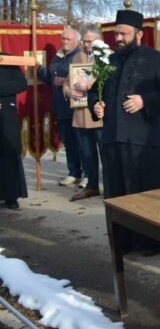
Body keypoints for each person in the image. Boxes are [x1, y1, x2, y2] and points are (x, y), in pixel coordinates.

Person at [90, 10, 160, 255]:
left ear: (139, 34)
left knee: (145, 193)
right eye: (116, 33)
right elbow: (93, 94)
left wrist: (144, 100)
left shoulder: (157, 60)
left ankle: (153, 242)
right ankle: (123, 242)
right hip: (112, 140)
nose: (118, 38)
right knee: (117, 193)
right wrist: (95, 105)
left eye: (124, 33)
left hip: (143, 140)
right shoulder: (108, 62)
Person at [38, 28, 83, 186]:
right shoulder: (58, 57)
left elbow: (83, 79)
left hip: (77, 108)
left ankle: (89, 175)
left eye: (68, 39)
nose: (64, 41)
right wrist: (38, 69)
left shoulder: (80, 56)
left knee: (81, 143)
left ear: (77, 41)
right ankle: (74, 172)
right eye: (62, 38)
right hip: (61, 107)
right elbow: (51, 80)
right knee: (69, 143)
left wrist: (64, 80)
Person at [63, 26, 103, 201]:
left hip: (100, 114)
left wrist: (89, 85)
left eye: (90, 41)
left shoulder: (107, 57)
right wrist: (68, 91)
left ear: (99, 39)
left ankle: (112, 187)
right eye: (85, 41)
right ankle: (92, 186)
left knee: (105, 153)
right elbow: (67, 80)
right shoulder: (77, 56)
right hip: (80, 113)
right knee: (87, 153)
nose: (87, 44)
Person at [0, 53, 28, 209]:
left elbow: (21, 84)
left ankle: (11, 196)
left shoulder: (7, 60)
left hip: (6, 114)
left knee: (8, 154)